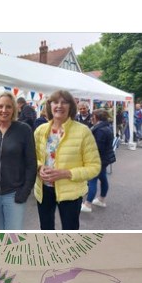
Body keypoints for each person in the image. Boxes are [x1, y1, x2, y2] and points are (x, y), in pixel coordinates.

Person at [33, 89, 101, 230]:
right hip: (44, 189)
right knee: (46, 228)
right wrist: (39, 167)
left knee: (70, 230)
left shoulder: (83, 131)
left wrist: (66, 173)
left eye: (64, 102)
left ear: (71, 106)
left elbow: (94, 167)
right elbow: (32, 158)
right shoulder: (40, 130)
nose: (59, 105)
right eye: (55, 102)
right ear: (49, 105)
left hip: (71, 191)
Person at [0, 92, 36, 231]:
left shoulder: (24, 130)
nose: (4, 110)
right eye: (0, 106)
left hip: (14, 194)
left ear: (14, 109)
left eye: (8, 106)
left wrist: (25, 191)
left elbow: (31, 163)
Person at [83, 109, 116, 210]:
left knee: (92, 180)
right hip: (105, 158)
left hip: (99, 159)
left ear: (96, 117)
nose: (91, 118)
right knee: (103, 178)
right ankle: (101, 199)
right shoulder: (107, 127)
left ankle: (88, 204)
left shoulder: (100, 130)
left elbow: (97, 148)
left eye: (92, 116)